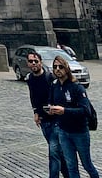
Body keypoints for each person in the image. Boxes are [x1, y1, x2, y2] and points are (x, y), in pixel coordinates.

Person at [48, 54, 99, 178]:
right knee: (71, 166)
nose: (58, 69)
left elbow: (86, 111)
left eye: (61, 66)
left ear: (66, 68)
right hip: (63, 131)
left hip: (79, 132)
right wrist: (50, 110)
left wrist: (65, 111)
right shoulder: (54, 86)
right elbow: (51, 102)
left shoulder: (76, 87)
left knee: (87, 164)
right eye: (55, 67)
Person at [24, 49, 69, 178]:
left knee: (53, 152)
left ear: (40, 62)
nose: (33, 63)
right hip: (44, 121)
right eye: (31, 61)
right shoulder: (30, 78)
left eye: (35, 61)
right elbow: (34, 97)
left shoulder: (50, 77)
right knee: (58, 152)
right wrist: (36, 112)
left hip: (56, 120)